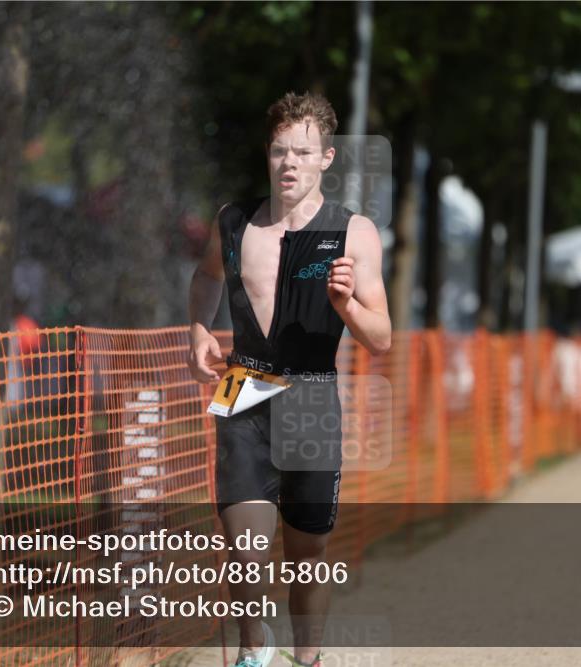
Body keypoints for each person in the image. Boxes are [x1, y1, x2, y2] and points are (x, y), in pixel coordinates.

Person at [186, 91, 391, 667]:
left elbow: (382, 337)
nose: (289, 163)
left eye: (303, 151)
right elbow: (204, 278)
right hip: (242, 384)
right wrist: (199, 331)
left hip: (312, 391)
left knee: (307, 550)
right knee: (243, 549)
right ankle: (254, 651)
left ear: (326, 157)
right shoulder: (232, 222)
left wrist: (347, 306)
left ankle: (307, 657)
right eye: (280, 151)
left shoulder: (353, 233)